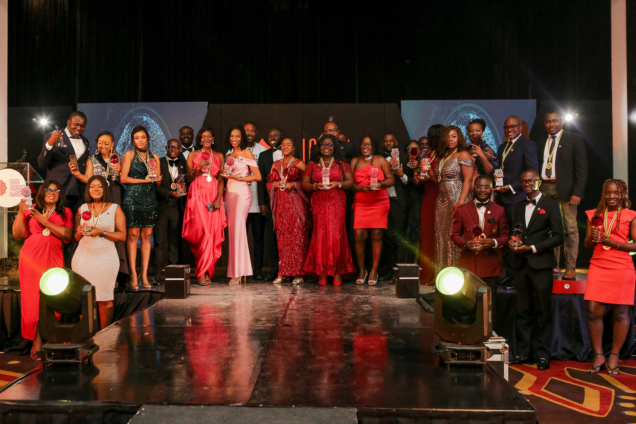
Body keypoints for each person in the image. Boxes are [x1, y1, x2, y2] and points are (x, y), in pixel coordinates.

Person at [508, 169, 563, 370]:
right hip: (521, 264)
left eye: (531, 181)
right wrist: (513, 242)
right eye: (524, 181)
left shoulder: (551, 205)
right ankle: (523, 352)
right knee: (522, 310)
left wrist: (532, 248)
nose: (527, 184)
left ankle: (542, 354)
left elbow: (559, 237)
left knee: (542, 311)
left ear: (538, 182)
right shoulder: (517, 206)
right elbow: (516, 232)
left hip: (541, 264)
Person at [13, 180, 73, 359]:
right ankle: (36, 340)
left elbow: (67, 235)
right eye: (48, 190)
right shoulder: (30, 210)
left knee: (53, 296)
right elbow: (17, 234)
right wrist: (20, 211)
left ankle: (52, 337)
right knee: (32, 300)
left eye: (56, 190)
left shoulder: (66, 212)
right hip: (31, 259)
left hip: (54, 257)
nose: (52, 193)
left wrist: (45, 222)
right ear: (41, 192)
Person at [584, 179, 636, 375]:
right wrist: (593, 237)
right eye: (608, 192)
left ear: (622, 194)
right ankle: (598, 354)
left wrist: (613, 243)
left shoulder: (631, 215)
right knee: (593, 311)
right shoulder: (594, 215)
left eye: (616, 192)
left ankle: (614, 356)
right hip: (598, 265)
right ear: (603, 194)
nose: (612, 196)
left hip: (622, 267)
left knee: (620, 313)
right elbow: (588, 244)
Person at [69, 130, 128, 279]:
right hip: (97, 193)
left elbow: (126, 178)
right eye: (100, 142)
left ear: (112, 144)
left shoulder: (119, 158)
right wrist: (78, 175)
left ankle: (120, 272)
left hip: (115, 193)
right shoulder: (92, 159)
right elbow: (88, 179)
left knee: (116, 228)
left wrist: (121, 171)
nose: (103, 146)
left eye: (106, 143)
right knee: (97, 224)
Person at [72, 175, 127, 329]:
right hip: (83, 257)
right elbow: (75, 237)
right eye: (92, 186)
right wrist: (79, 231)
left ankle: (105, 335)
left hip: (106, 257)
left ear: (105, 189)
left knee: (104, 298)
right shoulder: (82, 208)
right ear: (88, 190)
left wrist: (101, 232)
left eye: (99, 186)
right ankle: (86, 334)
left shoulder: (115, 208)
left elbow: (122, 236)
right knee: (84, 298)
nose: (95, 189)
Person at [538, 111, 588, 280]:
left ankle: (571, 267)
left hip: (567, 191)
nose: (551, 124)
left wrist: (577, 192)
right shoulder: (540, 142)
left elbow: (582, 168)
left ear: (561, 122)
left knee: (570, 229)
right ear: (544, 124)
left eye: (555, 121)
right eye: (548, 121)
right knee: (549, 228)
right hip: (545, 188)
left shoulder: (573, 138)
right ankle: (553, 265)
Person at [451, 175, 509, 318]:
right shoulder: (462, 209)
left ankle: (490, 330)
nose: (483, 190)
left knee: (489, 306)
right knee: (467, 304)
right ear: (473, 188)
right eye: (479, 187)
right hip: (468, 264)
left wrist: (493, 242)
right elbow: (455, 234)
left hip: (491, 265)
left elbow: (505, 236)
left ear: (491, 189)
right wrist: (465, 244)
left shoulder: (500, 210)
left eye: (486, 187)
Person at [302, 134, 355, 285]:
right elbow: (305, 184)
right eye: (323, 144)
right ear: (319, 147)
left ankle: (337, 272)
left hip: (337, 199)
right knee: (321, 234)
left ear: (335, 147)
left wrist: (338, 184)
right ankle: (321, 273)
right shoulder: (312, 164)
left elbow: (350, 182)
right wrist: (315, 186)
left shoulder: (342, 163)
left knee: (336, 235)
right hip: (319, 199)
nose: (326, 147)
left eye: (330, 144)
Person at [493, 116, 538, 286]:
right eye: (506, 127)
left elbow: (532, 172)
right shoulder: (503, 146)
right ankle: (509, 273)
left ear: (520, 127)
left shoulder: (527, 144)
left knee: (517, 236)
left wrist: (512, 187)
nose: (509, 130)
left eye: (513, 126)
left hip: (517, 197)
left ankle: (520, 275)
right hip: (502, 198)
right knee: (505, 235)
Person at [183, 128, 227, 285]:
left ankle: (206, 271)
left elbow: (221, 179)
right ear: (200, 139)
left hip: (213, 194)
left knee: (213, 233)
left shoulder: (219, 156)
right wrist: (198, 168)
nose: (206, 139)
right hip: (197, 195)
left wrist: (219, 200)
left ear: (213, 139)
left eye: (209, 136)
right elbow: (188, 178)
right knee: (203, 233)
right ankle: (201, 272)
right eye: (203, 137)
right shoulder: (193, 155)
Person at [120, 126, 162, 290]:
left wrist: (155, 176)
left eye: (143, 137)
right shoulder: (129, 154)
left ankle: (144, 275)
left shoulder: (155, 157)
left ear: (147, 138)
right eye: (137, 138)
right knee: (133, 235)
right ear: (133, 140)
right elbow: (124, 178)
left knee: (147, 236)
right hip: (133, 198)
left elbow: (157, 183)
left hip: (149, 198)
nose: (140, 140)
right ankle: (132, 274)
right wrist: (145, 180)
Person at [429, 125, 474, 270]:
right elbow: (439, 181)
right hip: (442, 200)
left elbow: (468, 180)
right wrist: (428, 170)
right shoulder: (444, 156)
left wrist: (461, 201)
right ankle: (443, 271)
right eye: (447, 137)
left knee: (455, 234)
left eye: (454, 136)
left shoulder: (463, 154)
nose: (450, 140)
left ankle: (459, 270)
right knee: (442, 235)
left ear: (459, 138)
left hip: (457, 199)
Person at [266, 137, 310, 285]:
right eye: (283, 145)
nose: (285, 147)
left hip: (296, 203)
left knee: (298, 237)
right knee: (283, 238)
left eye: (288, 144)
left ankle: (299, 273)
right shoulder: (276, 164)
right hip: (281, 204)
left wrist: (294, 185)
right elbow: (268, 184)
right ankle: (283, 272)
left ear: (294, 147)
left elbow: (307, 183)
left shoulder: (299, 163)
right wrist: (276, 184)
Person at [226, 122, 267, 280]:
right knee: (233, 232)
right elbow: (227, 174)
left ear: (242, 137)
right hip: (230, 194)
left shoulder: (246, 153)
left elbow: (257, 176)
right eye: (232, 136)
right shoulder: (229, 155)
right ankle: (236, 271)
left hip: (242, 193)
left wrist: (239, 178)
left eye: (237, 136)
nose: (234, 139)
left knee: (239, 231)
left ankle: (239, 273)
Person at [351, 136, 394, 285]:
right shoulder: (355, 161)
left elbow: (391, 179)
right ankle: (362, 270)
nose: (365, 146)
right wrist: (361, 188)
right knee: (359, 236)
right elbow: (350, 183)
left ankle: (374, 271)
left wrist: (381, 184)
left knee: (377, 235)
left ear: (374, 146)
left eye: (368, 144)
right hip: (361, 202)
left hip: (379, 201)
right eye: (363, 144)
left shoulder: (380, 160)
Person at [37, 111, 90, 213]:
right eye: (76, 125)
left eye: (82, 126)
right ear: (68, 122)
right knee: (57, 220)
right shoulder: (52, 137)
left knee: (77, 221)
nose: (79, 128)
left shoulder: (85, 141)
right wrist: (49, 144)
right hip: (59, 190)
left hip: (79, 191)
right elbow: (41, 164)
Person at [154, 139, 188, 282]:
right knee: (159, 242)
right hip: (161, 206)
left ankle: (173, 272)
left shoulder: (184, 164)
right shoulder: (160, 162)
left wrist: (184, 188)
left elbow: (188, 182)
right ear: (166, 148)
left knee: (174, 242)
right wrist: (170, 194)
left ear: (180, 149)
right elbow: (155, 185)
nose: (172, 149)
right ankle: (158, 274)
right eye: (170, 147)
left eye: (175, 147)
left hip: (176, 207)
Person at [379, 133, 412, 282]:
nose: (388, 143)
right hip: (382, 202)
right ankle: (388, 271)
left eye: (391, 141)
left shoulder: (405, 158)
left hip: (399, 202)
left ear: (396, 142)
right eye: (386, 141)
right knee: (387, 238)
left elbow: (411, 182)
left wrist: (401, 174)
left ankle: (399, 272)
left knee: (399, 239)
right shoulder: (379, 159)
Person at [414, 124, 444, 284]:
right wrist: (418, 176)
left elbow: (440, 181)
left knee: (440, 234)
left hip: (441, 196)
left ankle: (439, 273)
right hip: (428, 195)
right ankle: (427, 272)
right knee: (427, 235)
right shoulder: (429, 154)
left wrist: (429, 174)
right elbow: (421, 177)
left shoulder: (446, 155)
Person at [257, 128, 284, 280]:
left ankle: (288, 269)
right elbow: (261, 181)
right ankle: (274, 271)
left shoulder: (292, 153)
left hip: (289, 201)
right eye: (270, 135)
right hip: (270, 202)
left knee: (287, 236)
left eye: (276, 135)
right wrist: (261, 203)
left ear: (282, 137)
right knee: (272, 238)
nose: (273, 137)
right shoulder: (263, 155)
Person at [405, 140, 426, 263]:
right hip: (405, 201)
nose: (413, 151)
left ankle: (416, 263)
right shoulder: (402, 162)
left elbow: (419, 183)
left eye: (416, 148)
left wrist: (417, 168)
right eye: (410, 148)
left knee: (417, 233)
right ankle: (405, 263)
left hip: (418, 200)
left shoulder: (422, 163)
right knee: (405, 233)